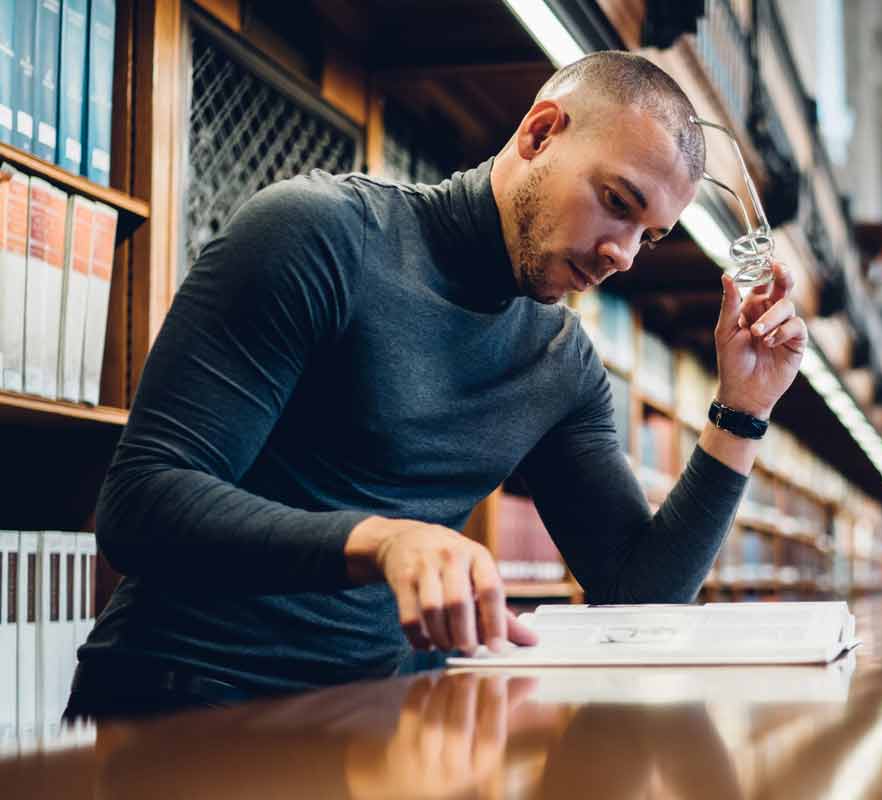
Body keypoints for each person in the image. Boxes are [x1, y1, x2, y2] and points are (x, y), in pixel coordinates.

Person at [65, 51, 806, 718]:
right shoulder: (318, 235)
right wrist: (380, 541)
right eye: (617, 201)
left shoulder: (563, 363)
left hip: (377, 720)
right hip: (182, 705)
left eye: (649, 235)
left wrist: (742, 409)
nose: (623, 255)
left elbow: (636, 597)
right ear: (540, 133)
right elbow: (140, 505)